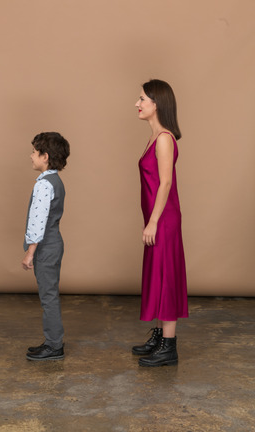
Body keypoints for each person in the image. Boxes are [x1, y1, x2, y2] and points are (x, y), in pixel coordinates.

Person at [132, 79, 188, 367]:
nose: (137, 104)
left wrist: (153, 222)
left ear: (157, 104)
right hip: (157, 217)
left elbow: (165, 183)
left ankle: (169, 346)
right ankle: (161, 335)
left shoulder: (164, 138)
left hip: (163, 219)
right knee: (158, 274)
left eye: (142, 99)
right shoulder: (155, 137)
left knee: (166, 276)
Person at [22, 132, 70, 361]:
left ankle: (54, 346)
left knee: (48, 296)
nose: (31, 156)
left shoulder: (43, 185)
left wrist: (30, 252)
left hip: (46, 247)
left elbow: (38, 221)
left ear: (45, 156)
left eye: (34, 152)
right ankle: (52, 341)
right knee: (49, 295)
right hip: (54, 243)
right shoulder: (55, 181)